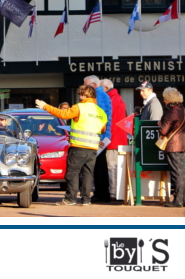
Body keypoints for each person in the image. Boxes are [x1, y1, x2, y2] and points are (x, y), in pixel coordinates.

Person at [36, 85, 106, 206]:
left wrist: (45, 106)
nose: (79, 96)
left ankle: (70, 199)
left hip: (79, 146)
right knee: (88, 174)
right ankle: (86, 199)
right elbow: (103, 129)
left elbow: (62, 114)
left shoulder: (79, 107)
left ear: (84, 95)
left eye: (80, 94)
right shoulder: (101, 111)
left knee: (72, 172)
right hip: (93, 148)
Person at [158, 87, 185, 208]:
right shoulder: (183, 109)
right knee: (182, 172)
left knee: (176, 173)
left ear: (170, 99)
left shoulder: (173, 111)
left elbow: (163, 130)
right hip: (181, 143)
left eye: (165, 98)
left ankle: (178, 200)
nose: (164, 100)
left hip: (173, 145)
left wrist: (160, 124)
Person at [84, 75, 112, 204]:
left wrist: (98, 136)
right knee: (99, 167)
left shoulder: (99, 97)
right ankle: (101, 193)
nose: (84, 88)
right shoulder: (101, 96)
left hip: (99, 137)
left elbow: (100, 118)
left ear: (94, 85)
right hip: (100, 136)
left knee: (99, 167)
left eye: (86, 85)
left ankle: (101, 194)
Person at [101, 79, 128, 202]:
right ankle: (118, 192)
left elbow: (108, 121)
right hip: (119, 138)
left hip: (113, 139)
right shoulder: (118, 99)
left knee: (112, 167)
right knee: (117, 167)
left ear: (106, 88)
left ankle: (114, 193)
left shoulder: (110, 100)